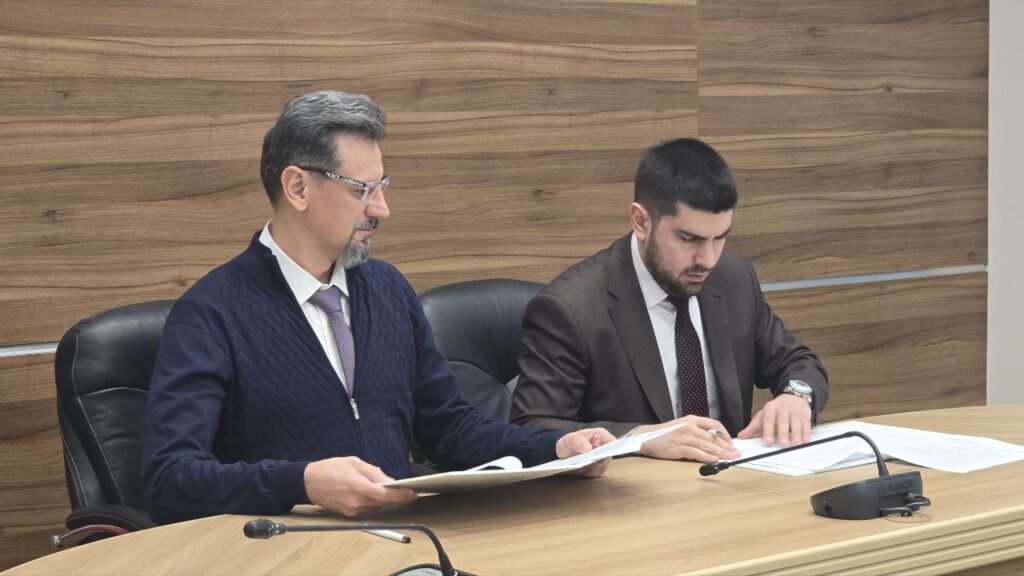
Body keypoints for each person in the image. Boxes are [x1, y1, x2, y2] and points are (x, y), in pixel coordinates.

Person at [140, 91, 613, 524]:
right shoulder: (210, 315)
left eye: (381, 186)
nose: (382, 209)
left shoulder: (387, 290)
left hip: (407, 544)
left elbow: (450, 431)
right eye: (362, 190)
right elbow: (170, 479)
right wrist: (302, 483)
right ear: (298, 188)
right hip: (289, 554)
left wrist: (557, 447)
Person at [510, 138, 828, 463]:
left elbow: (798, 362)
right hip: (633, 489)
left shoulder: (734, 278)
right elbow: (532, 426)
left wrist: (796, 396)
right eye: (689, 239)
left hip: (732, 480)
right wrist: (642, 439)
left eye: (720, 238)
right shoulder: (571, 308)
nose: (707, 259)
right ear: (641, 221)